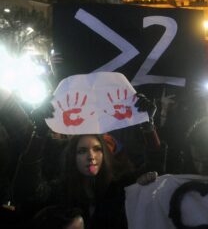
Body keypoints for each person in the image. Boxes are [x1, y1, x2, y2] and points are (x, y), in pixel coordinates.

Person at [12, 95, 159, 228]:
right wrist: (39, 133)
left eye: (97, 149)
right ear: (72, 157)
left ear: (105, 155)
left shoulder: (120, 187)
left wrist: (148, 125)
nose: (91, 156)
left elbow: (156, 168)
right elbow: (27, 190)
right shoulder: (61, 190)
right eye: (82, 151)